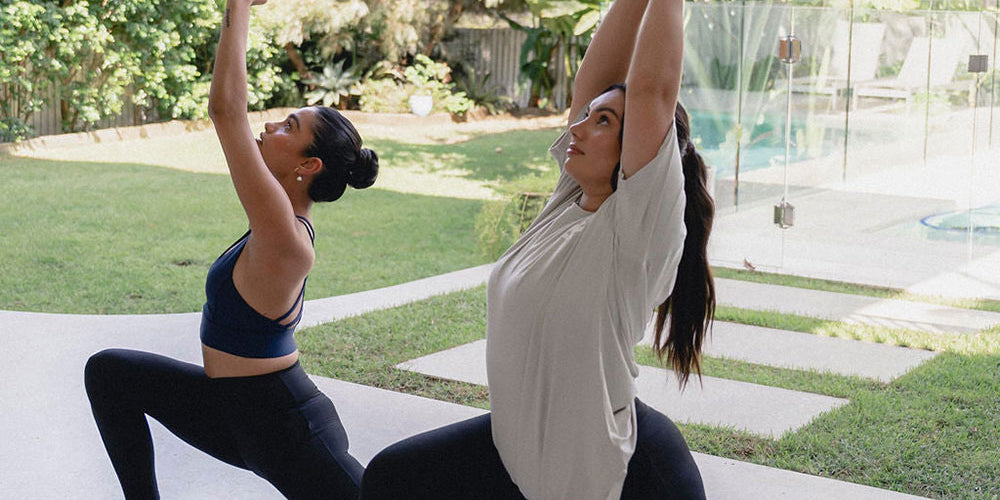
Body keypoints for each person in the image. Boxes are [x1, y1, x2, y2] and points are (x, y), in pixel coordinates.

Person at [358, 0, 713, 498]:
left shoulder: (635, 230)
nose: (577, 128)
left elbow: (653, 89)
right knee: (395, 478)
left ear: (643, 151)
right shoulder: (570, 202)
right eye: (585, 116)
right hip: (519, 446)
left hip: (615, 469)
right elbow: (595, 77)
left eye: (604, 122)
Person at [83, 0, 378, 498]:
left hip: (286, 430)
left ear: (310, 166)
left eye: (289, 126)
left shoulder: (286, 239)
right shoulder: (272, 222)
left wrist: (238, 5)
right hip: (227, 409)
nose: (269, 127)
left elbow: (226, 112)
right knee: (111, 372)